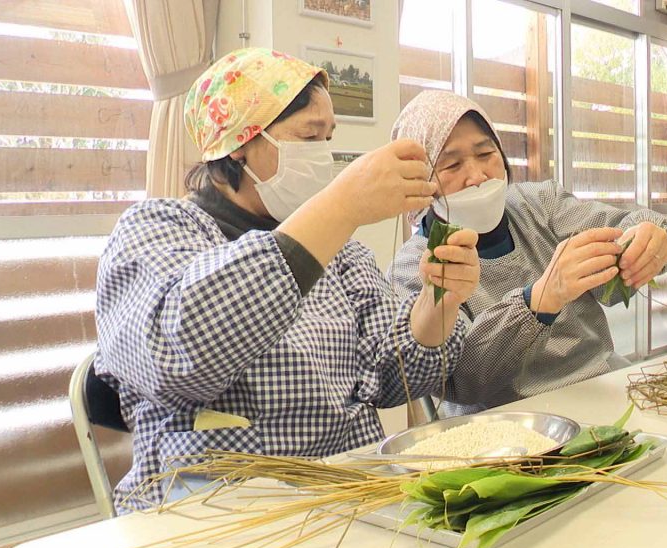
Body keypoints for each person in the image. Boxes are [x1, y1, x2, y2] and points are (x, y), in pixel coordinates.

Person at [94, 48, 482, 512]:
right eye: (307, 136)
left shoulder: (342, 254)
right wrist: (341, 206)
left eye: (328, 137)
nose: (322, 154)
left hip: (348, 496)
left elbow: (391, 376)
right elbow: (177, 353)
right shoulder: (154, 229)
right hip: (210, 512)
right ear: (238, 142)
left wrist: (437, 305)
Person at [388, 90, 667, 416]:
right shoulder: (415, 266)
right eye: (452, 164)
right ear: (422, 183)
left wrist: (651, 239)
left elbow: (623, 242)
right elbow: (465, 383)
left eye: (486, 154)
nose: (478, 176)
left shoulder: (539, 205)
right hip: (506, 427)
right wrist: (539, 301)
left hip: (602, 390)